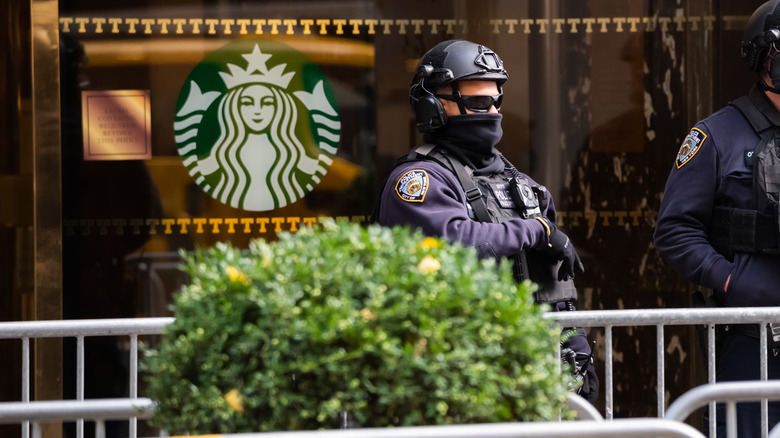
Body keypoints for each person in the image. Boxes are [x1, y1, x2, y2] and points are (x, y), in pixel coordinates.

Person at [373, 39, 598, 404]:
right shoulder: (418, 181)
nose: (491, 111)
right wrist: (537, 230)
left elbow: (556, 289)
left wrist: (577, 351)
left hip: (536, 371)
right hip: (459, 374)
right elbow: (457, 244)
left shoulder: (523, 185)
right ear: (433, 105)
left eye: (496, 101)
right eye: (478, 102)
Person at [654, 1, 780, 435]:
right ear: (764, 59)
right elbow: (675, 230)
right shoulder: (716, 135)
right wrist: (729, 280)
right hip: (756, 342)